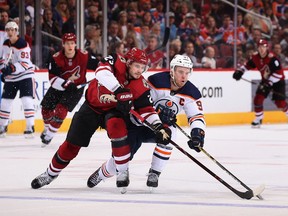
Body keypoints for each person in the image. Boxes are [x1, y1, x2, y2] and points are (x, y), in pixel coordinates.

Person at [31, 47, 171, 191]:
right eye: (136, 66)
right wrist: (118, 90)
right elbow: (101, 72)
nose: (139, 71)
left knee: (118, 130)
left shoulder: (141, 85)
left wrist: (158, 126)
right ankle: (50, 174)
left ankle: (122, 171)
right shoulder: (116, 60)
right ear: (128, 63)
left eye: (142, 67)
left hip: (113, 111)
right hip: (91, 107)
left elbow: (147, 109)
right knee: (71, 145)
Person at [87, 54, 206, 189]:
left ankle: (155, 172)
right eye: (180, 72)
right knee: (122, 159)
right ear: (172, 70)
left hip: (159, 128)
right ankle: (101, 174)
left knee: (171, 132)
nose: (183, 76)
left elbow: (196, 116)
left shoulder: (192, 92)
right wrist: (158, 114)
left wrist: (197, 134)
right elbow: (142, 105)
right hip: (136, 124)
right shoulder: (156, 81)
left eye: (187, 72)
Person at [40, 32, 99, 146]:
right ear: (63, 44)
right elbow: (52, 78)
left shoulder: (84, 56)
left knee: (61, 110)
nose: (70, 46)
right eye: (67, 43)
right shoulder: (56, 58)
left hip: (75, 89)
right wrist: (65, 84)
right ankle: (48, 129)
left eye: (72, 43)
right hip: (59, 87)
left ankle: (48, 136)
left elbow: (98, 64)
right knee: (45, 110)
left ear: (75, 44)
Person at [233, 39, 288, 127]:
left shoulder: (272, 58)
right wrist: (240, 71)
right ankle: (258, 119)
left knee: (280, 103)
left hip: (278, 82)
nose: (262, 49)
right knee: (258, 98)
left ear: (267, 48)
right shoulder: (255, 57)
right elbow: (248, 65)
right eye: (260, 47)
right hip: (265, 81)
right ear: (257, 48)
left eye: (264, 47)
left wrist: (268, 83)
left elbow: (278, 73)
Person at [0, 21, 35, 138]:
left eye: (12, 30)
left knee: (26, 100)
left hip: (25, 76)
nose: (10, 32)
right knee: (5, 102)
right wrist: (3, 71)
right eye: (8, 30)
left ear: (16, 31)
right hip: (11, 78)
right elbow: (3, 59)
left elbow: (25, 64)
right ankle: (2, 126)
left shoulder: (22, 44)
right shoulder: (5, 44)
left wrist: (12, 68)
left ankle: (30, 127)